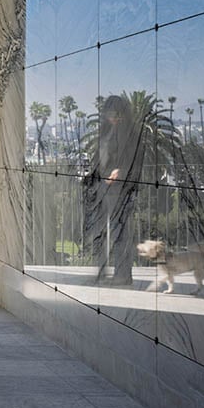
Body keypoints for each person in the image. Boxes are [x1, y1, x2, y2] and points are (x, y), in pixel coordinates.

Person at [86, 93, 142, 286]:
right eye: (110, 112)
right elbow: (99, 157)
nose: (113, 116)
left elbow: (134, 159)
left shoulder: (130, 133)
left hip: (119, 188)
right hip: (102, 186)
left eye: (116, 113)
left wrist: (121, 171)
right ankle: (101, 270)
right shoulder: (106, 131)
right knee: (99, 229)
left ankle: (123, 274)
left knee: (120, 231)